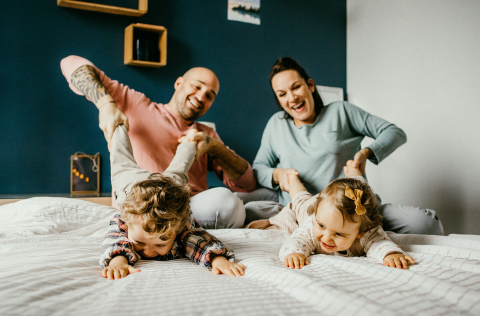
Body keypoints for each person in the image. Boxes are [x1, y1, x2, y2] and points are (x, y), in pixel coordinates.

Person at [250, 57, 443, 235]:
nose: (292, 98)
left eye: (296, 87)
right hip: (303, 212)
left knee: (426, 223)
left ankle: (360, 232)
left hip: (351, 209)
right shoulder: (276, 124)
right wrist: (278, 175)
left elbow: (394, 132)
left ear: (310, 86)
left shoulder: (341, 111)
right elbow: (258, 168)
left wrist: (367, 153)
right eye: (282, 94)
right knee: (239, 211)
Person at [61, 55, 257, 229]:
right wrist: (105, 104)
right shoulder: (137, 104)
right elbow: (70, 63)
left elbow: (247, 183)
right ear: (179, 82)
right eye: (197, 86)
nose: (200, 97)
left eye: (209, 96)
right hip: (142, 205)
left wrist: (215, 148)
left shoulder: (206, 134)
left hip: (190, 208)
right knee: (230, 204)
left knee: (247, 200)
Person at [101, 125, 246, 279]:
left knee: (179, 169)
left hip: (169, 187)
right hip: (130, 185)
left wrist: (217, 259)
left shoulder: (178, 223)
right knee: (121, 160)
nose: (148, 253)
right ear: (127, 224)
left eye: (160, 245)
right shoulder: (126, 219)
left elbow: (198, 240)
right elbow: (115, 238)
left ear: (177, 231)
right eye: (139, 242)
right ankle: (118, 126)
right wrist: (118, 261)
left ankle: (189, 142)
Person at [280, 160, 415, 270]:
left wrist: (391, 254)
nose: (326, 238)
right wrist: (294, 253)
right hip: (315, 206)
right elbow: (297, 240)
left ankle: (353, 168)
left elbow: (380, 243)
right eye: (321, 226)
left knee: (361, 189)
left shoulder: (367, 232)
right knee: (300, 199)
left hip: (341, 206)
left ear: (361, 232)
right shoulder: (311, 225)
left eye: (339, 234)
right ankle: (292, 179)